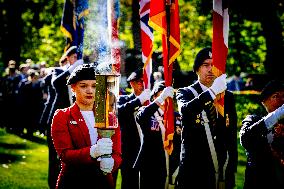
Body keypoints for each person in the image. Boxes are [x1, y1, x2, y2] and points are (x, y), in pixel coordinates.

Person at [175, 47, 238, 189]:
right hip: (194, 171)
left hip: (221, 170)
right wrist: (212, 92)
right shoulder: (185, 93)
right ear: (197, 69)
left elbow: (232, 135)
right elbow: (185, 111)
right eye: (205, 65)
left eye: (213, 65)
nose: (210, 69)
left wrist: (231, 170)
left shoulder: (227, 97)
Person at [51, 63, 122, 189]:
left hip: (103, 183)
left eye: (94, 86)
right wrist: (93, 151)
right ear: (73, 87)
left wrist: (112, 163)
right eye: (83, 86)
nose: (89, 90)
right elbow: (65, 155)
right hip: (73, 182)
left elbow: (117, 153)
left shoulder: (109, 117)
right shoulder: (62, 116)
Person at [240, 80, 284, 189]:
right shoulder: (252, 120)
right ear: (264, 101)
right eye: (276, 96)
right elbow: (246, 139)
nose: (282, 100)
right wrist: (278, 114)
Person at [135, 81, 175, 189]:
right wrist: (161, 98)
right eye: (161, 94)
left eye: (167, 96)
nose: (165, 99)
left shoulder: (175, 116)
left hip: (169, 163)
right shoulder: (146, 111)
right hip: (149, 164)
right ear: (154, 97)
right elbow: (141, 117)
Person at [117, 68, 151, 189]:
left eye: (145, 81)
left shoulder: (152, 102)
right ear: (132, 83)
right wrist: (139, 100)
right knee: (130, 182)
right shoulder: (124, 99)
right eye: (140, 81)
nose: (143, 85)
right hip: (130, 150)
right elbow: (119, 111)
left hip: (149, 149)